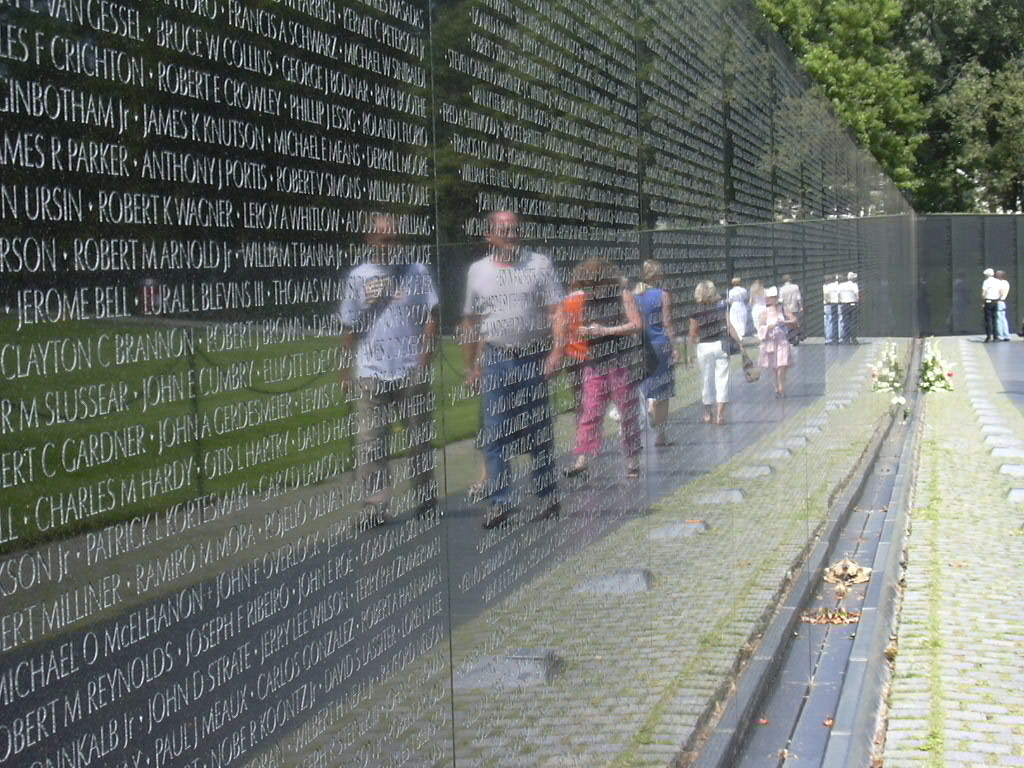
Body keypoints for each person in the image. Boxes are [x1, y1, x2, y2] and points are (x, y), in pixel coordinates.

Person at [462, 211, 562, 527]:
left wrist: (557, 353)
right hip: (495, 359)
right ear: (490, 237)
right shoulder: (477, 271)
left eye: (515, 230)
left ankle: (547, 496)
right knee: (495, 434)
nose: (512, 236)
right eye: (504, 231)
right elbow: (472, 321)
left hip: (532, 358)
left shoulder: (539, 265)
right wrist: (471, 366)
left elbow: (557, 312)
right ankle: (501, 502)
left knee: (538, 433)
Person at [339, 214, 439, 524]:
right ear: (370, 240)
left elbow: (431, 316)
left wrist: (425, 358)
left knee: (419, 438)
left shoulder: (417, 272)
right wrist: (345, 371)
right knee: (371, 444)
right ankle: (374, 506)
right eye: (384, 238)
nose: (390, 243)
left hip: (409, 367)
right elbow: (347, 326)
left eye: (395, 237)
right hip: (371, 370)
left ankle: (426, 499)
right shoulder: (359, 276)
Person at [563, 259, 643, 478]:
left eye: (594, 284)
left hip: (620, 363)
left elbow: (636, 325)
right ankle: (582, 459)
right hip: (594, 362)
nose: (591, 289)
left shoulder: (622, 295)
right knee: (590, 411)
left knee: (627, 414)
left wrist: (606, 330)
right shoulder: (588, 299)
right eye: (587, 285)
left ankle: (632, 460)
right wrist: (585, 331)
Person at [634, 260, 678, 447]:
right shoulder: (663, 295)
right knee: (662, 392)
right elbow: (667, 323)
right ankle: (661, 436)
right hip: (660, 344)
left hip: (641, 345)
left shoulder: (633, 296)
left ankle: (638, 433)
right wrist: (675, 346)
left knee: (642, 389)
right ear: (656, 275)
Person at [689, 280, 742, 425]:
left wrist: (689, 352)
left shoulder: (697, 310)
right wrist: (739, 343)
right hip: (721, 344)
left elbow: (693, 333)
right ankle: (720, 414)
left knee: (707, 380)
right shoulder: (722, 306)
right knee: (722, 379)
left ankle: (707, 414)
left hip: (704, 346)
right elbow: (729, 326)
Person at [757, 286, 798, 397]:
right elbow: (760, 328)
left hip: (782, 339)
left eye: (774, 297)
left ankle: (782, 387)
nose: (772, 299)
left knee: (782, 365)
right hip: (771, 340)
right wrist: (769, 327)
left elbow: (794, 320)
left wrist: (785, 322)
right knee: (774, 366)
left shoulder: (783, 308)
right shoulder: (764, 311)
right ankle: (776, 387)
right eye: (770, 297)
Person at [778, 274, 803, 345]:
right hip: (794, 307)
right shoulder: (795, 287)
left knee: (789, 324)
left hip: (786, 309)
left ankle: (792, 338)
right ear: (790, 280)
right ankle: (797, 334)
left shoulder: (782, 289)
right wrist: (801, 306)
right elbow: (799, 298)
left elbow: (781, 300)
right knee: (795, 322)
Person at [838, 271, 859, 343]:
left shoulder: (841, 285)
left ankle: (845, 338)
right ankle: (853, 338)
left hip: (844, 305)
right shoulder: (854, 285)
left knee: (845, 321)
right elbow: (857, 295)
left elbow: (838, 295)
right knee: (853, 322)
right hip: (852, 304)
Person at [982, 267, 1001, 342]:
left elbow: (984, 293)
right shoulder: (998, 281)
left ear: (987, 275)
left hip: (988, 301)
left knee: (988, 319)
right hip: (995, 301)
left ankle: (989, 337)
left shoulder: (986, 282)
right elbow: (1001, 292)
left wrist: (983, 301)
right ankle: (996, 337)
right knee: (995, 319)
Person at [823, 273, 841, 343]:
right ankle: (834, 337)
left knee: (827, 321)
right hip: (831, 304)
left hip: (826, 305)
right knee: (833, 320)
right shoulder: (834, 286)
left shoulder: (825, 286)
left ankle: (828, 338)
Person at [996, 270, 1011, 341]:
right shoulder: (1006, 282)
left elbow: (1001, 292)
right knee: (1003, 319)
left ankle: (1000, 336)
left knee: (998, 320)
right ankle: (1006, 335)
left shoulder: (999, 283)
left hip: (998, 301)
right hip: (1003, 302)